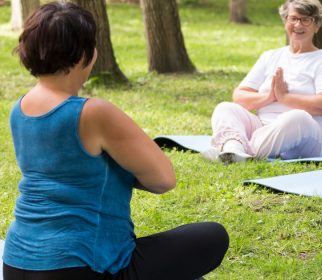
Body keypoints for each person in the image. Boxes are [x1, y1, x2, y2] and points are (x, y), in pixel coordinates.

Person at [3, 3, 228, 279]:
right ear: (83, 54)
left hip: (16, 263)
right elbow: (163, 179)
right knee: (212, 236)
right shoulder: (92, 112)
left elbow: (67, 170)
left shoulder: (20, 109)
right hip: (82, 266)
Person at [202, 0, 322, 164]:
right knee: (225, 108)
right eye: (294, 18)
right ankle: (234, 151)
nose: (298, 24)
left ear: (317, 26)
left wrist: (285, 98)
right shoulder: (270, 56)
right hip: (264, 127)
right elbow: (239, 96)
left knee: (297, 117)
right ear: (285, 22)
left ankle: (235, 149)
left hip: (310, 133)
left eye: (306, 20)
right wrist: (269, 97)